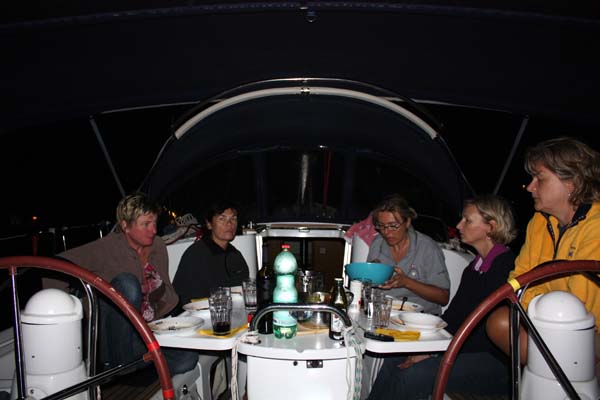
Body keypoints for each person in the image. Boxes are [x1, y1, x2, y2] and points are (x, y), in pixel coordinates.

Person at [368, 195, 517, 399]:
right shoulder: (474, 268)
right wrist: (430, 347)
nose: (459, 225)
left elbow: (483, 333)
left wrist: (434, 352)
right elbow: (454, 316)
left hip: (494, 361)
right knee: (396, 358)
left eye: (467, 220)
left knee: (412, 375)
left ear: (491, 227)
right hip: (463, 347)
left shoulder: (506, 268)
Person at [486, 137, 600, 368]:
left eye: (540, 178)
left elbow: (581, 307)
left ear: (571, 183)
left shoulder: (596, 227)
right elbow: (519, 279)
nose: (530, 187)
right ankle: (548, 378)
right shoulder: (539, 222)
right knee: (499, 322)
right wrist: (532, 307)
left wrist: (535, 306)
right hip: (545, 320)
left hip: (589, 332)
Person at [58, 192, 198, 375]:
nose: (154, 230)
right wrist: (75, 308)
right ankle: (122, 365)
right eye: (146, 224)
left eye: (154, 223)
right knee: (127, 283)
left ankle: (135, 365)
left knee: (187, 359)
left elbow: (167, 293)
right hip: (112, 338)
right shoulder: (106, 247)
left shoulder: (157, 245)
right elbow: (56, 266)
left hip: (146, 332)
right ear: (125, 226)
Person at [367, 194, 450, 314]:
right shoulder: (377, 243)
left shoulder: (428, 248)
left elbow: (443, 298)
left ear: (407, 222)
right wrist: (371, 273)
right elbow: (368, 287)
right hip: (384, 314)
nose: (387, 232)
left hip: (420, 317)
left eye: (393, 226)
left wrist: (406, 282)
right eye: (381, 226)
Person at [173, 200, 249, 311]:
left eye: (233, 218)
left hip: (231, 312)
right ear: (209, 224)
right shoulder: (195, 255)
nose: (229, 224)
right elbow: (185, 299)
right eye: (222, 218)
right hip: (199, 315)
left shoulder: (235, 255)